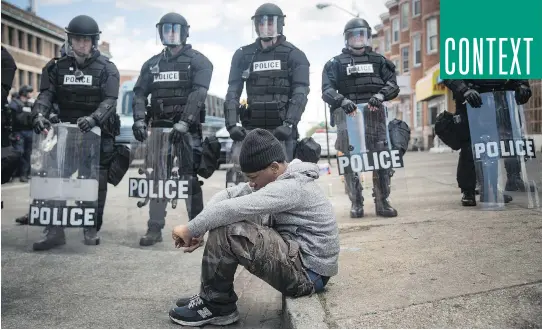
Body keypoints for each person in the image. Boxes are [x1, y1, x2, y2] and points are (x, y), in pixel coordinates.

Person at [168, 129, 339, 327]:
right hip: (300, 262)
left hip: (309, 275)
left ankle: (217, 305)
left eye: (254, 177)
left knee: (229, 229)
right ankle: (211, 296)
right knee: (223, 219)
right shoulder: (278, 177)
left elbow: (230, 209)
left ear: (274, 167)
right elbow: (228, 196)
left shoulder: (291, 187)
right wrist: (200, 228)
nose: (251, 183)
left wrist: (190, 229)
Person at [30, 15, 120, 250]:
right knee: (55, 181)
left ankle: (90, 228)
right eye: (77, 39)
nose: (81, 44)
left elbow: (110, 100)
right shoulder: (55, 67)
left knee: (93, 184)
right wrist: (38, 115)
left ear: (94, 41)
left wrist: (94, 119)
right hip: (65, 135)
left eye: (86, 40)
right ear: (70, 40)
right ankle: (54, 230)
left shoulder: (107, 69)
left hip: (95, 135)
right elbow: (45, 96)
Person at [131, 12, 213, 246]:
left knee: (189, 179)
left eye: (175, 29)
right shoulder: (152, 64)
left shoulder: (199, 61)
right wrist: (138, 120)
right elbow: (139, 93)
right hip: (158, 130)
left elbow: (199, 93)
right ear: (161, 32)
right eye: (166, 30)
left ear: (185, 32)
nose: (171, 34)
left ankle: (196, 230)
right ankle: (154, 229)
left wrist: (185, 121)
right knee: (158, 179)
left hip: (186, 131)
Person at [223, 2, 310, 186]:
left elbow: (300, 92)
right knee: (245, 180)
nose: (265, 26)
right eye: (261, 23)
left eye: (270, 22)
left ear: (280, 24)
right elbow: (232, 91)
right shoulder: (243, 55)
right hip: (250, 129)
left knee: (284, 182)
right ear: (256, 26)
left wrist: (289, 123)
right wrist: (231, 124)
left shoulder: (295, 54)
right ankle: (245, 215)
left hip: (282, 130)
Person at [322, 17, 400, 218]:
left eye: (362, 34)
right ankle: (356, 202)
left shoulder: (380, 61)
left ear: (367, 37)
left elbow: (393, 84)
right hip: (348, 119)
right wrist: (341, 100)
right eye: (354, 35)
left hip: (375, 118)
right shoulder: (335, 63)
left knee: (381, 160)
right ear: (347, 38)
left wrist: (381, 95)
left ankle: (382, 201)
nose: (358, 39)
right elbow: (327, 89)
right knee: (350, 162)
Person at [442, 78, 532, 206]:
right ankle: (468, 191)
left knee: (496, 143)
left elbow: (516, 63)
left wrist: (522, 84)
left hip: (499, 98)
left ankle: (492, 189)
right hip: (471, 99)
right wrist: (464, 89)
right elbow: (449, 71)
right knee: (470, 144)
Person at [9, 85, 35, 182]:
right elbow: (11, 119)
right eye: (29, 92)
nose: (31, 94)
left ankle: (25, 174)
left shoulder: (30, 104)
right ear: (24, 92)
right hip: (19, 132)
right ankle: (13, 173)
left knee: (28, 154)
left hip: (29, 131)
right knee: (19, 153)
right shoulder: (15, 103)